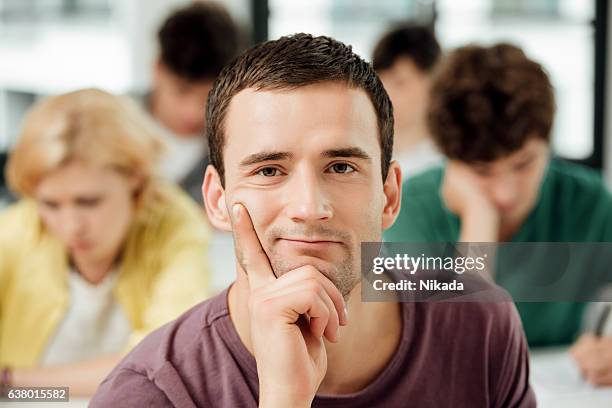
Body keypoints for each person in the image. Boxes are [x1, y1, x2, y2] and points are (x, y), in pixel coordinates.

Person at [91, 34, 535, 407]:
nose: (309, 206)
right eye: (269, 170)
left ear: (390, 195)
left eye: (341, 166)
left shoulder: (481, 325)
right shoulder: (151, 393)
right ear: (217, 199)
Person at [384, 43, 612, 385]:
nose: (507, 192)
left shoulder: (589, 202)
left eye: (523, 164)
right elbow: (456, 347)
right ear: (451, 160)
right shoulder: (408, 209)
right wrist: (479, 219)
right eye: (482, 171)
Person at [0, 89, 211, 396]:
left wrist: (11, 381)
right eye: (50, 204)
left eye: (89, 202)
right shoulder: (15, 231)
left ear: (136, 184)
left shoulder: (176, 227)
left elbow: (164, 366)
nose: (71, 226)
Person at [145, 1, 241, 202]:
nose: (193, 113)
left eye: (208, 97)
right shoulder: (114, 125)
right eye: (182, 91)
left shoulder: (236, 145)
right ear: (158, 70)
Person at [372, 23, 442, 178]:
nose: (385, 94)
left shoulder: (447, 162)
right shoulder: (366, 151)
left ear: (432, 82)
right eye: (380, 82)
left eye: (400, 82)